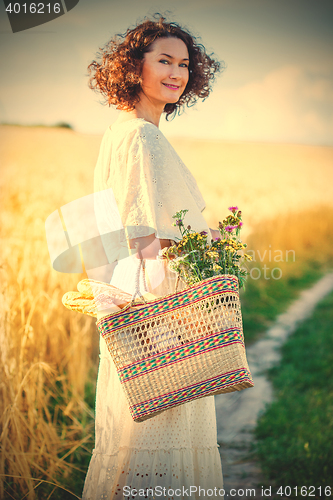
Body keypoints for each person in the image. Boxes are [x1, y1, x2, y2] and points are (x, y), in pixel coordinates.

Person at [82, 15, 224, 500]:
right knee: (161, 444)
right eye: (163, 60)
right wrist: (187, 311)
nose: (177, 72)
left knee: (130, 444)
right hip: (157, 310)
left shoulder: (118, 132)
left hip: (127, 300)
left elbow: (109, 232)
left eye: (184, 63)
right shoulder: (144, 137)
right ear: (132, 67)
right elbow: (149, 239)